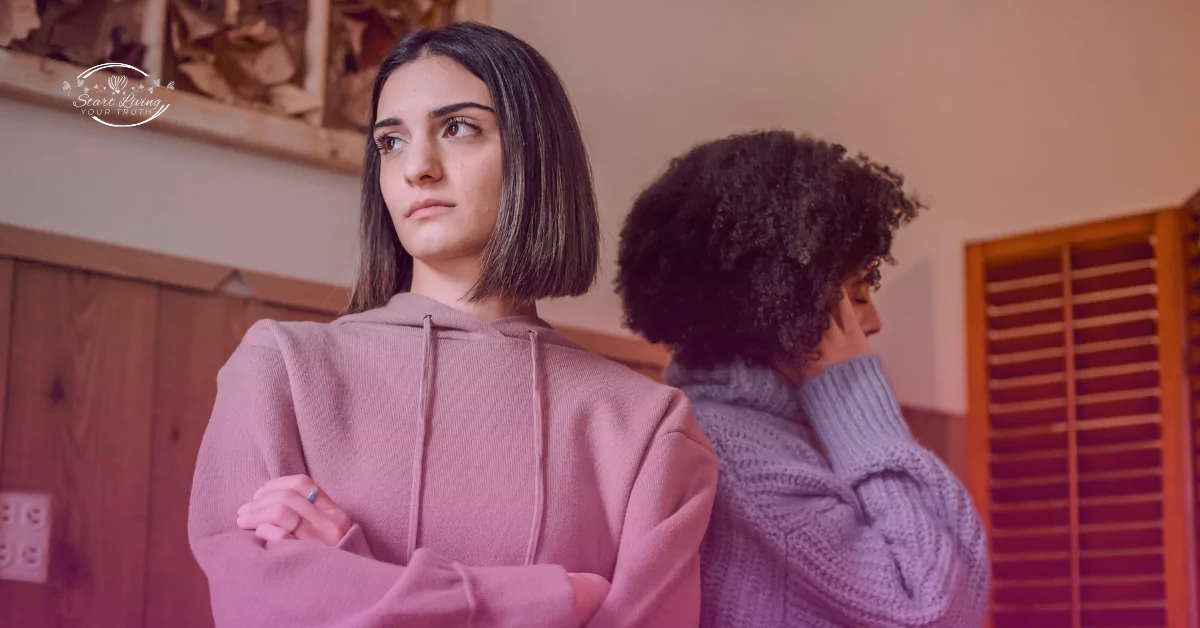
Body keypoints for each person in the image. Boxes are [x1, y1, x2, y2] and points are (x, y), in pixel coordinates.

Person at [188, 22, 718, 628]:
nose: (417, 168)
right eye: (389, 142)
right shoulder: (281, 368)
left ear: (536, 156)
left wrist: (348, 570)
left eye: (458, 128)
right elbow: (256, 610)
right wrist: (546, 602)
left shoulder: (647, 428)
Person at [615, 131, 990, 627]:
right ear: (778, 304)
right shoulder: (730, 454)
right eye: (857, 293)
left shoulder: (769, 433)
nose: (872, 321)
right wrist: (857, 400)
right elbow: (937, 611)